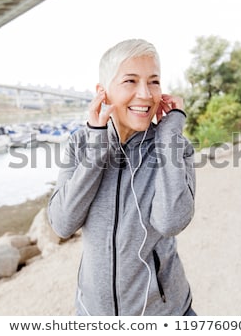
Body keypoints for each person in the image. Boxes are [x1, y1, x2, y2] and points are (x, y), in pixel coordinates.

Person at [48, 39, 196, 316]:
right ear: (102, 93)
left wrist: (169, 136)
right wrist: (97, 146)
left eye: (154, 82)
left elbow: (171, 221)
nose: (145, 94)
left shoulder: (174, 147)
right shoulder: (79, 145)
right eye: (130, 81)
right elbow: (62, 223)